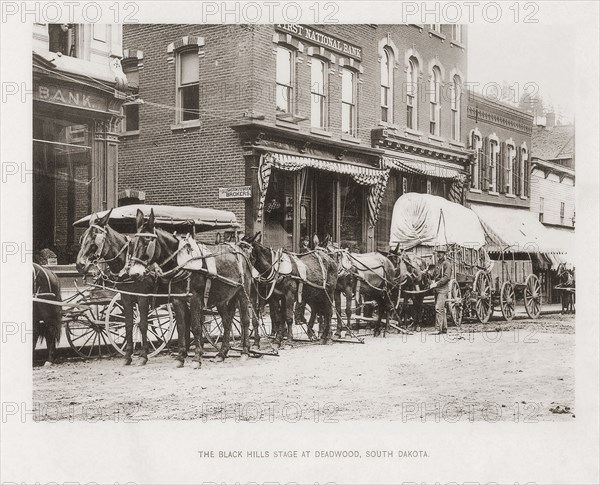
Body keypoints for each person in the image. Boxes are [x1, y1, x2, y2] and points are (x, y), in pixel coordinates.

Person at [430, 248, 452, 334]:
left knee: (438, 308)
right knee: (441, 309)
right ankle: (444, 328)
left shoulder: (447, 264)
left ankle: (437, 329)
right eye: (438, 253)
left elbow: (447, 277)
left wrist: (437, 283)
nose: (439, 254)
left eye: (441, 253)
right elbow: (435, 275)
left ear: (444, 254)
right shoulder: (438, 264)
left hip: (443, 289)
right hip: (437, 289)